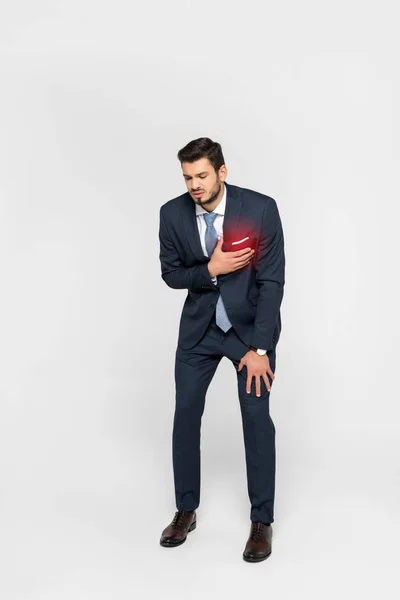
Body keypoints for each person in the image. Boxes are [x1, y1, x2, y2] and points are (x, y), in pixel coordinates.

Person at [158, 137, 285, 562]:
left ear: (221, 172)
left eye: (202, 175)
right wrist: (209, 269)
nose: (194, 184)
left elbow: (271, 284)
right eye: (187, 177)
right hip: (199, 333)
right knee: (186, 414)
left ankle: (261, 520)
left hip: (249, 333)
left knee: (255, 417)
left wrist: (260, 348)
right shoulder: (171, 214)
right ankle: (185, 510)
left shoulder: (260, 209)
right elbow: (171, 275)